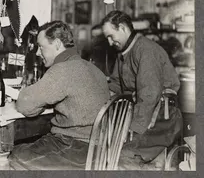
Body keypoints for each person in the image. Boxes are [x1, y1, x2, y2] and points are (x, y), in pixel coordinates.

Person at [9, 20, 110, 170]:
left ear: (57, 44)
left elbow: (25, 105)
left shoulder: (62, 70)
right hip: (102, 150)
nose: (37, 52)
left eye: (41, 47)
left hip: (76, 148)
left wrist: (36, 103)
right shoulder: (93, 68)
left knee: (12, 156)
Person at [100, 10, 182, 167]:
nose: (110, 42)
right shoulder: (123, 52)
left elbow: (149, 94)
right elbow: (117, 84)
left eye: (111, 36)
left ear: (123, 28)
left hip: (161, 118)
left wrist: (133, 131)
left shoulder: (146, 50)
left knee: (122, 155)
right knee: (106, 149)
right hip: (142, 114)